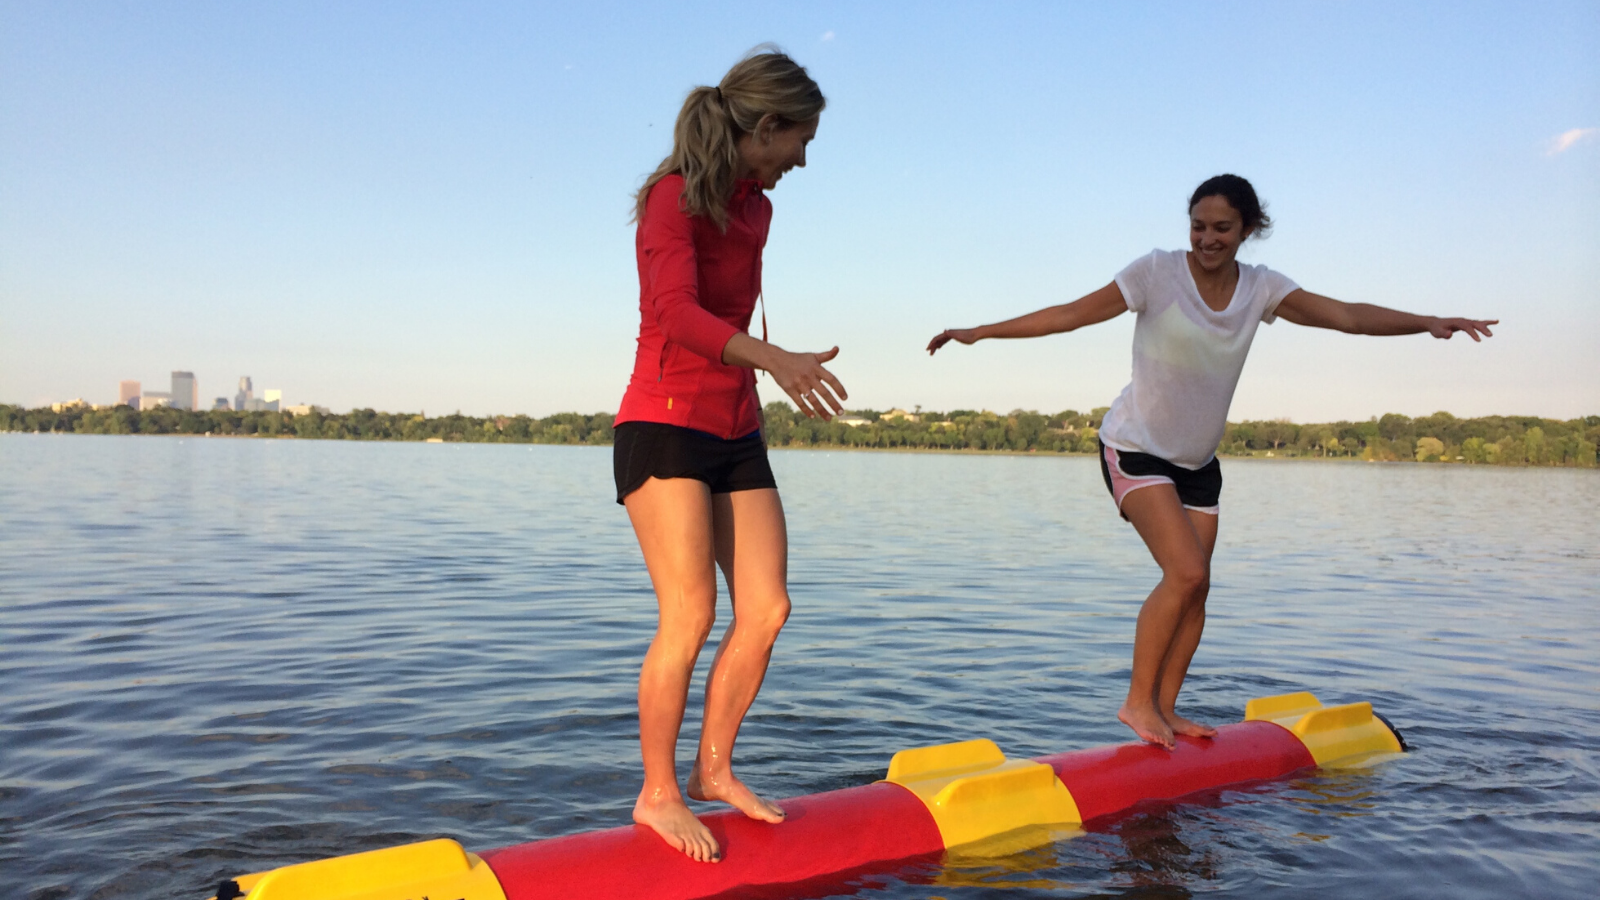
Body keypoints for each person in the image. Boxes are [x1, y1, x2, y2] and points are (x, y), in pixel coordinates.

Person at [927, 174, 1496, 749]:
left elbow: (1344, 315)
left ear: (1248, 229)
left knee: (1198, 590)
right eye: (1198, 226)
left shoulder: (1261, 289)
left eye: (1221, 228)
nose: (1207, 238)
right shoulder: (1156, 272)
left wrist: (1424, 322)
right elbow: (1069, 315)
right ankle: (1137, 703)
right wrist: (982, 333)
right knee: (1186, 572)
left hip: (1198, 461)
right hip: (1135, 447)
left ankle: (1166, 711)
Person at [613, 50, 845, 863]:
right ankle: (656, 792)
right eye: (798, 141)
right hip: (665, 423)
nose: (802, 160)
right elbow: (674, 313)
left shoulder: (757, 210)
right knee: (691, 613)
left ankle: (714, 771)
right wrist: (773, 359)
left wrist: (768, 372)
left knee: (769, 607)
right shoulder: (671, 199)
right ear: (765, 128)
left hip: (736, 429)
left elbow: (731, 316)